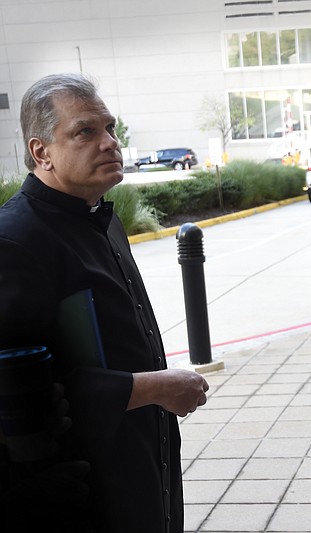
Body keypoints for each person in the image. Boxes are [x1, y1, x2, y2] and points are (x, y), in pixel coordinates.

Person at [0, 73, 210, 532]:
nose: (109, 143)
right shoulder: (15, 241)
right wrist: (153, 388)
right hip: (81, 488)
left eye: (110, 128)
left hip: (144, 461)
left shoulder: (103, 220)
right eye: (85, 132)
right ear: (41, 152)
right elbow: (21, 397)